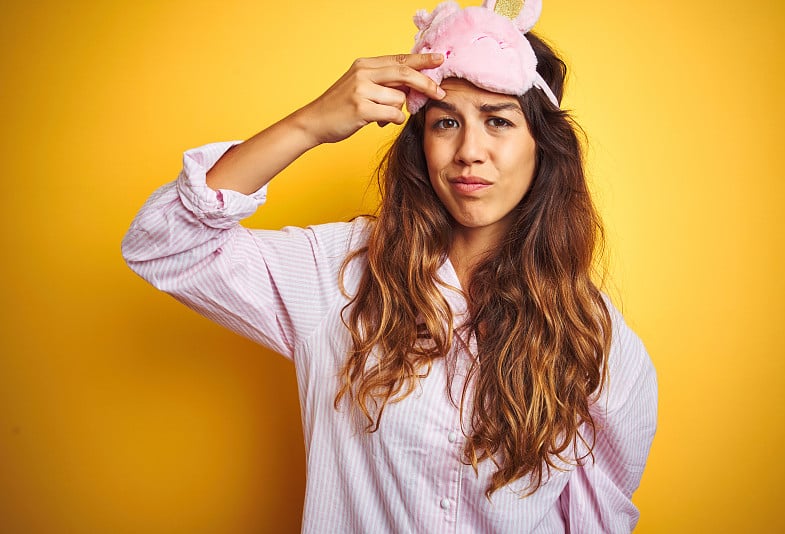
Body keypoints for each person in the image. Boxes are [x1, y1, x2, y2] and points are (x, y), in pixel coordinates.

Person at [122, 0, 657, 532]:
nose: (469, 150)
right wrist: (308, 125)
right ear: (421, 143)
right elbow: (166, 243)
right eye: (446, 122)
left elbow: (595, 521)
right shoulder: (341, 277)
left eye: (498, 121)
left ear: (542, 146)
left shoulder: (596, 341)